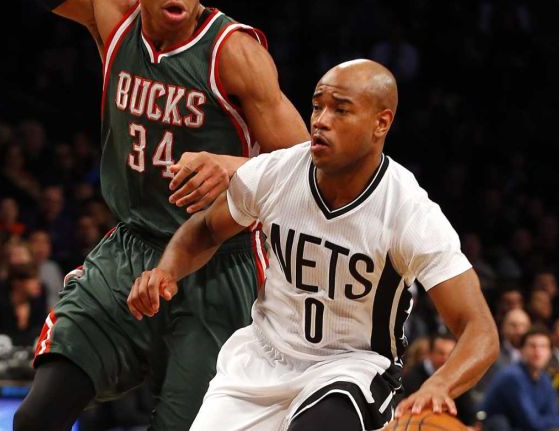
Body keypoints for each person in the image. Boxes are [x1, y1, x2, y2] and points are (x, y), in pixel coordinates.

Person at [127, 59, 498, 431]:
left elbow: (479, 329)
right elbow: (207, 229)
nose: (320, 119)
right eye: (317, 105)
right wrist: (166, 271)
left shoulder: (408, 211)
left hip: (350, 369)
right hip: (261, 358)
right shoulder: (278, 172)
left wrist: (438, 384)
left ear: (380, 123)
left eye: (340, 109)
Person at [14, 0, 309, 430]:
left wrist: (233, 167)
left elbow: (307, 167)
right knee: (36, 417)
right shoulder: (113, 19)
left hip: (221, 265)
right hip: (130, 251)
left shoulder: (234, 53)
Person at [480, 327, 559, 431]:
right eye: (532, 346)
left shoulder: (545, 378)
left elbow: (552, 416)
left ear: (550, 353)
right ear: (522, 350)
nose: (537, 351)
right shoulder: (513, 376)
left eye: (543, 346)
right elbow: (532, 422)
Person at [403, 334, 477, 425]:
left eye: (450, 354)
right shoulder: (411, 376)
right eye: (441, 353)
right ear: (430, 354)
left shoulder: (459, 375)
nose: (445, 358)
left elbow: (468, 413)